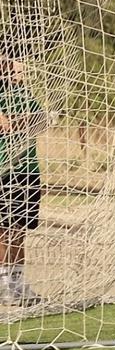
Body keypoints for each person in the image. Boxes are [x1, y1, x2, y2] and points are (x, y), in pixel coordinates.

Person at [0, 59, 47, 306]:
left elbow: (42, 122)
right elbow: (5, 126)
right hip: (5, 170)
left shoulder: (26, 95)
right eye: (16, 70)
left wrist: (18, 121)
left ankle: (17, 282)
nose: (20, 75)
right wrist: (20, 122)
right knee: (4, 229)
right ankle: (3, 284)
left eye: (22, 71)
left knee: (20, 229)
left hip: (28, 171)